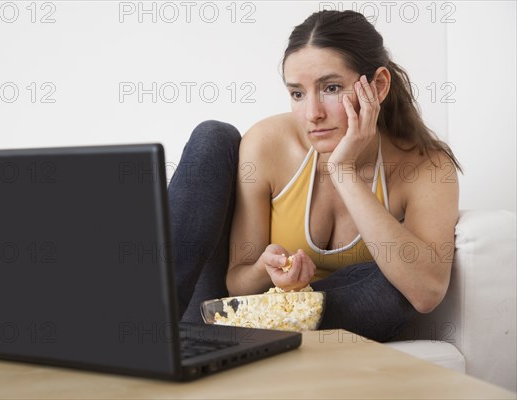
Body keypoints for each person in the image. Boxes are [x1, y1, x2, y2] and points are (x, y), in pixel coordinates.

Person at [168, 10, 460, 342]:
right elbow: (237, 282)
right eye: (297, 94)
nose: (313, 114)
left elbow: (426, 293)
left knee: (396, 284)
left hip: (326, 312)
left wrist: (343, 169)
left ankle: (241, 341)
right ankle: (152, 323)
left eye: (331, 87)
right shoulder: (268, 144)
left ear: (378, 86)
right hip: (230, 309)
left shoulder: (427, 167)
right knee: (213, 136)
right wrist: (268, 273)